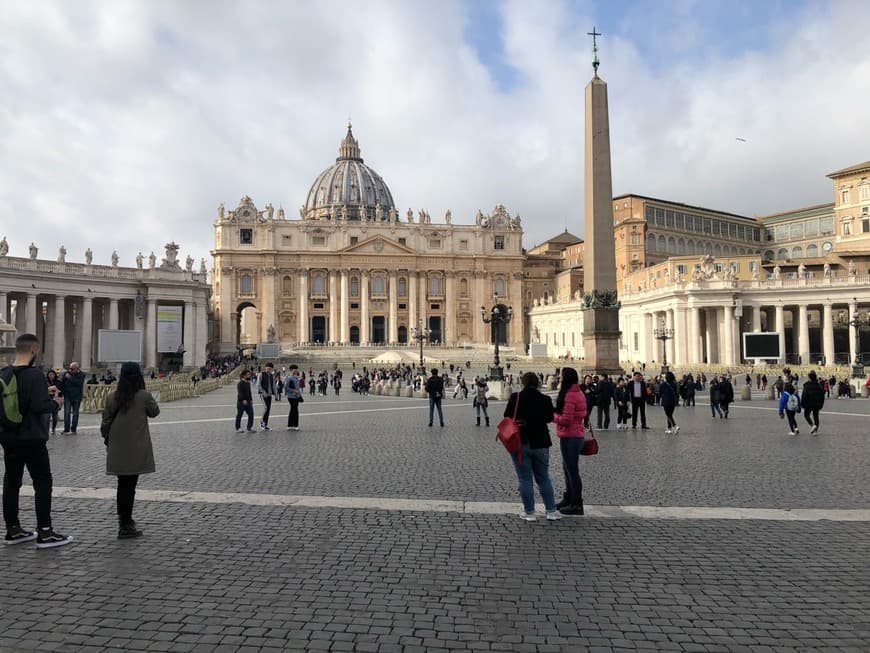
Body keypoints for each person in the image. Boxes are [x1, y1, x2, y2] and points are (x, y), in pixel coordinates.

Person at [1, 333, 72, 547]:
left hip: (8, 437)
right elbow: (40, 406)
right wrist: (56, 402)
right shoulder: (35, 375)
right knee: (43, 483)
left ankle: (13, 529)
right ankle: (45, 532)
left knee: (11, 483)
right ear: (34, 350)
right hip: (32, 438)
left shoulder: (3, 373)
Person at [100, 362, 159, 539]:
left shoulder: (112, 397)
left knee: (122, 486)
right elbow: (154, 412)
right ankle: (126, 524)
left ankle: (123, 521)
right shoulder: (144, 396)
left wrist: (107, 440)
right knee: (130, 487)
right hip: (136, 448)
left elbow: (105, 422)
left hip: (117, 447)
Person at [504, 372, 562, 521]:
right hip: (541, 441)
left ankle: (529, 512)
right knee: (543, 478)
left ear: (522, 383)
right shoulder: (545, 399)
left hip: (521, 442)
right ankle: (551, 511)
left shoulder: (516, 397)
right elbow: (549, 418)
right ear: (538, 383)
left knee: (525, 479)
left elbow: (507, 416)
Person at [553, 367, 586, 515]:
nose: (559, 378)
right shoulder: (577, 392)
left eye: (561, 376)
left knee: (572, 470)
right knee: (567, 468)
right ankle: (569, 498)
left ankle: (577, 504)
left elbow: (566, 419)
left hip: (571, 435)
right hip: (572, 434)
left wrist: (552, 416)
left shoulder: (571, 395)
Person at [59, 361, 85, 434]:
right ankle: (66, 429)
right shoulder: (67, 373)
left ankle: (74, 429)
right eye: (70, 368)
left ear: (77, 369)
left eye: (72, 369)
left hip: (77, 396)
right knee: (66, 413)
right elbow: (62, 383)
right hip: (67, 396)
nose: (70, 370)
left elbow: (78, 383)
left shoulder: (82, 375)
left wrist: (70, 378)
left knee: (75, 413)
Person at [800, 370, 825, 435]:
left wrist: (802, 403)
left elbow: (804, 395)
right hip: (817, 404)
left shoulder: (806, 385)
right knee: (816, 417)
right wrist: (821, 404)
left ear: (809, 378)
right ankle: (815, 431)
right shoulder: (819, 385)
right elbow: (822, 395)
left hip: (809, 404)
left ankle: (812, 425)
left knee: (806, 415)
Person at [257, 363, 277, 431]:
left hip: (269, 394)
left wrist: (276, 394)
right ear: (265, 368)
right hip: (263, 394)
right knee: (265, 408)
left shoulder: (272, 376)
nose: (269, 370)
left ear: (272, 369)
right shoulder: (261, 374)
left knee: (268, 410)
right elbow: (258, 384)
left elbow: (274, 385)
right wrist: (263, 392)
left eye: (270, 369)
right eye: (267, 368)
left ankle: (265, 425)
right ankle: (261, 422)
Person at [284, 365, 303, 430]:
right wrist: (293, 390)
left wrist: (299, 395)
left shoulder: (296, 377)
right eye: (295, 369)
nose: (297, 370)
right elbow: (286, 387)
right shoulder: (289, 378)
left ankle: (291, 425)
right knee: (294, 410)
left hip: (296, 396)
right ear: (292, 370)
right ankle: (294, 425)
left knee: (293, 410)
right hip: (291, 396)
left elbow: (298, 388)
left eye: (297, 369)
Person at [45, 369, 62, 435]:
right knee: (47, 417)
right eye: (50, 375)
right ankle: (46, 430)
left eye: (53, 374)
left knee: (55, 417)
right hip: (47, 401)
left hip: (55, 401)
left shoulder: (58, 382)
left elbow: (61, 392)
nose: (51, 376)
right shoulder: (45, 382)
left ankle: (53, 428)